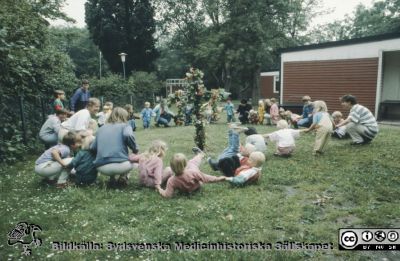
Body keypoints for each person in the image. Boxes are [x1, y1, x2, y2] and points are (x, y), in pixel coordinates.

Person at [91, 107, 139, 186]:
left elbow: (93, 148)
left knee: (110, 154)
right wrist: (135, 150)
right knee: (135, 158)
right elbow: (128, 134)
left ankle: (112, 179)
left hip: (101, 168)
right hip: (122, 166)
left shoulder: (101, 128)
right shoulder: (125, 126)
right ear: (124, 116)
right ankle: (123, 176)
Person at [156, 152, 226, 198]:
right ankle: (200, 155)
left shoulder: (171, 180)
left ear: (172, 167)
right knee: (193, 163)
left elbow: (167, 195)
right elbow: (206, 178)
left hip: (185, 190)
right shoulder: (193, 172)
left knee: (192, 164)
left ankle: (200, 155)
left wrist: (159, 189)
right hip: (196, 187)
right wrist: (218, 178)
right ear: (185, 165)